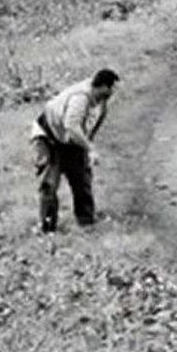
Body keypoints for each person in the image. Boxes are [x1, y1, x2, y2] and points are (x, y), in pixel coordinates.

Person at [29, 68, 120, 232]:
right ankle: (47, 227)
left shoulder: (101, 99)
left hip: (69, 140)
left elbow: (97, 121)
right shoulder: (80, 98)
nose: (114, 92)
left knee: (82, 178)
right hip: (48, 136)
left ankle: (86, 222)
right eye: (112, 88)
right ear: (103, 86)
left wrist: (88, 142)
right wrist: (90, 148)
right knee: (50, 183)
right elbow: (71, 126)